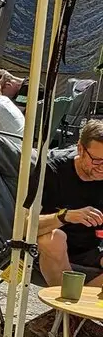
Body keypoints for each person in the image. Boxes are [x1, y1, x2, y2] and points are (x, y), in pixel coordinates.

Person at [31, 119, 103, 286]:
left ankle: (74, 300)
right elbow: (25, 225)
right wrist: (65, 216)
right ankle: (68, 299)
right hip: (50, 249)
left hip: (92, 248)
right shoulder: (51, 170)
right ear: (80, 149)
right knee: (53, 239)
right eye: (97, 160)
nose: (102, 168)